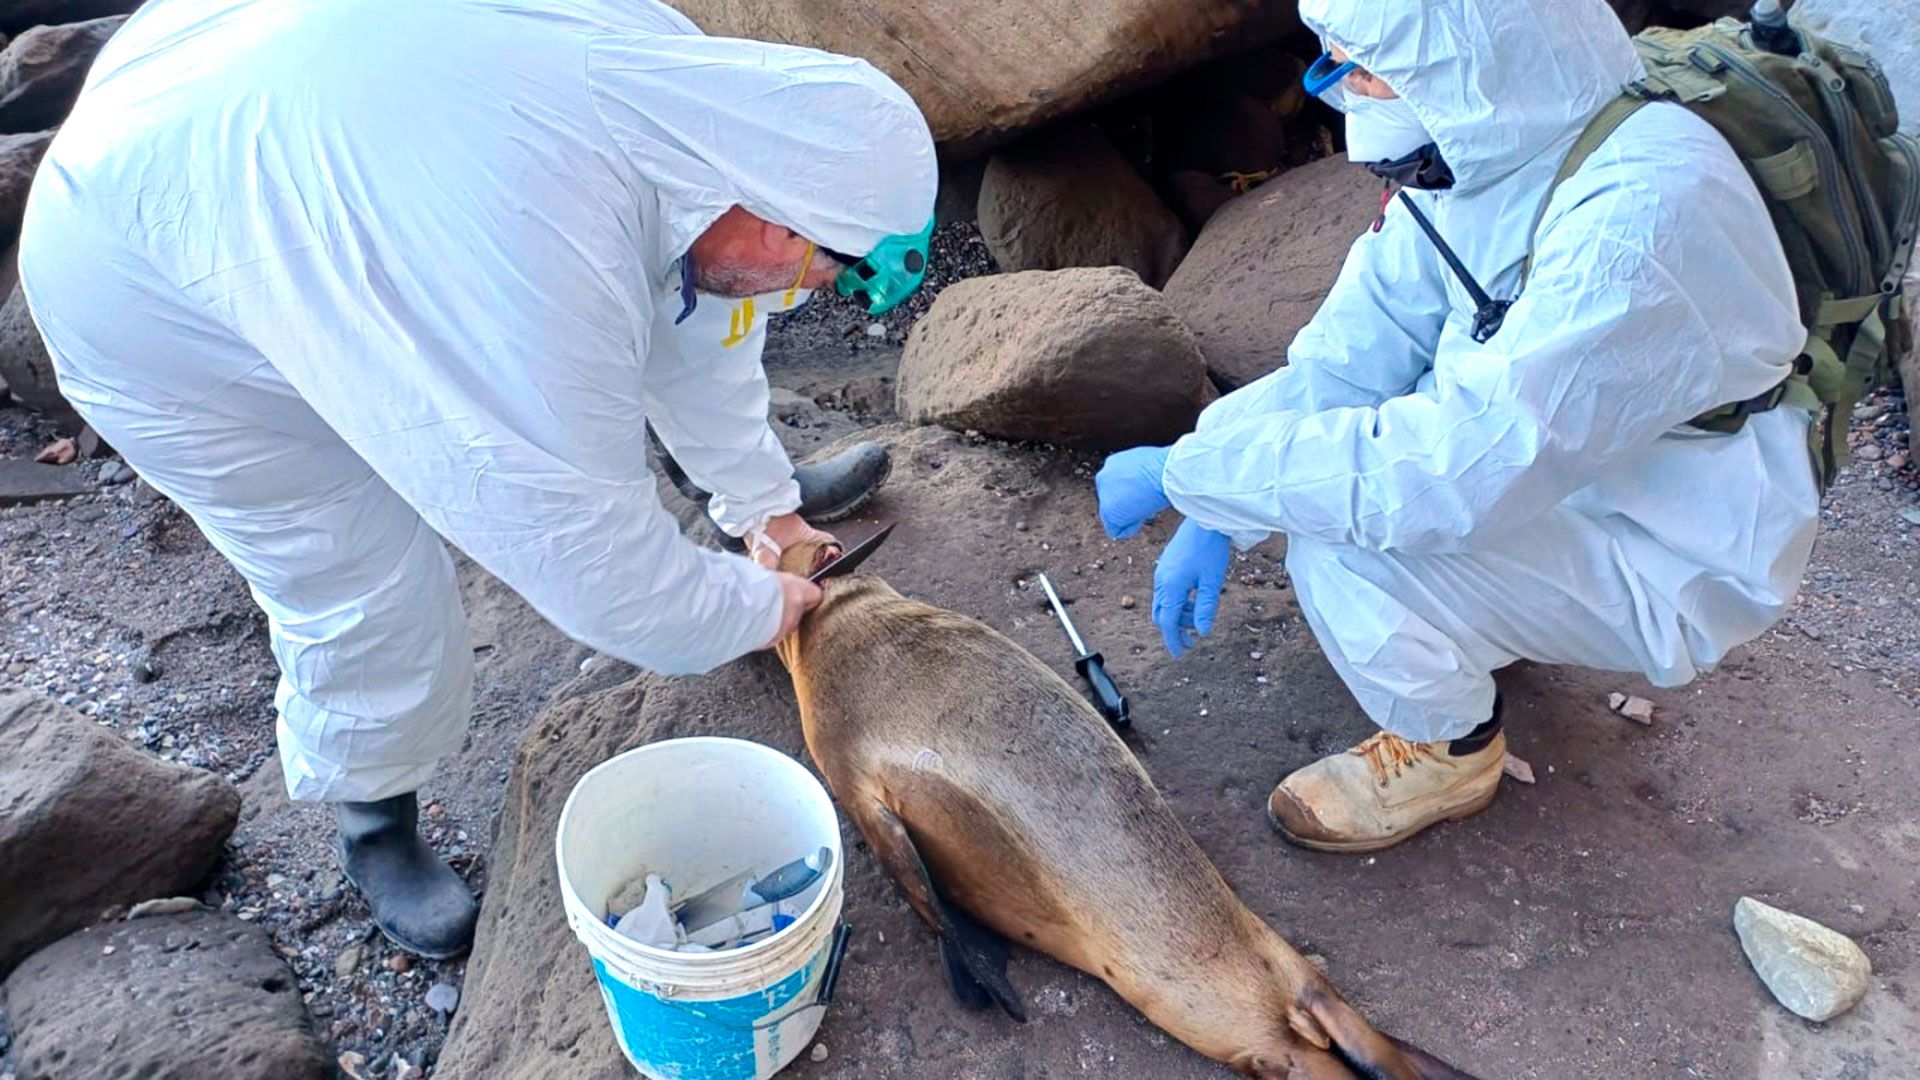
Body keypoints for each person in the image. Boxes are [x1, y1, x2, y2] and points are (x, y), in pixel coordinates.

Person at [21, 0, 936, 956]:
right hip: (145, 283)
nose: (815, 292)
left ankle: (751, 501)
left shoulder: (694, 101)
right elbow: (587, 563)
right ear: (774, 218)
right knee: (354, 565)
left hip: (274, 107)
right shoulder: (532, 251)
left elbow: (700, 318)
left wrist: (766, 513)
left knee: (679, 294)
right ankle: (371, 813)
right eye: (826, 268)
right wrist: (760, 609)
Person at [1096, 0, 1815, 854]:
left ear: (1470, 58)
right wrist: (1216, 483)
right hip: (1588, 475)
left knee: (1343, 541)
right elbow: (1349, 360)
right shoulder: (1498, 150)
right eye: (1331, 57)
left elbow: (1438, 478)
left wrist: (1194, 479)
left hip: (1677, 544)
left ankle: (1452, 751)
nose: (1339, 87)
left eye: (1362, 63)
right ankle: (1482, 617)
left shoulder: (1640, 225)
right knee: (1334, 480)